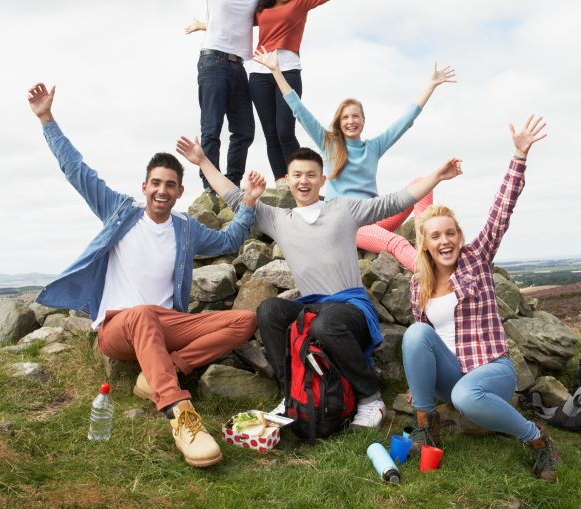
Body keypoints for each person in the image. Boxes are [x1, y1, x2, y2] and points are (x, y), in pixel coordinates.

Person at [28, 82, 266, 469]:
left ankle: (162, 371)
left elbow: (230, 240)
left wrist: (250, 204)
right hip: (119, 327)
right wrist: (46, 118)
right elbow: (77, 171)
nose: (161, 190)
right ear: (144, 187)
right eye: (155, 183)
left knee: (245, 320)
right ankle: (179, 413)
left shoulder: (186, 229)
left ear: (179, 192)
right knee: (141, 313)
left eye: (169, 185)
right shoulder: (121, 212)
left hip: (167, 323)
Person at [176, 136, 462, 428]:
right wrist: (202, 161)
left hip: (351, 309)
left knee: (326, 324)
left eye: (311, 175)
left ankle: (370, 397)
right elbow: (236, 198)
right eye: (297, 175)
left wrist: (436, 176)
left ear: (322, 180)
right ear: (287, 180)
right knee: (269, 311)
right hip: (313, 307)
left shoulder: (343, 209)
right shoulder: (278, 219)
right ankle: (293, 395)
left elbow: (392, 202)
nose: (304, 181)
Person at [401, 115, 561, 481]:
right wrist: (418, 387)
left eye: (450, 233)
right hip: (451, 374)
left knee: (467, 397)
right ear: (424, 244)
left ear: (459, 235)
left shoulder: (477, 258)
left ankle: (537, 440)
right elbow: (422, 344)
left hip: (491, 369)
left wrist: (518, 157)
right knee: (414, 334)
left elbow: (501, 211)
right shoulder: (418, 284)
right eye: (435, 236)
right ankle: (426, 427)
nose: (444, 241)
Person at [252, 49, 455, 269]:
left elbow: (406, 120)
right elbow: (298, 109)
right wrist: (276, 71)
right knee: (397, 242)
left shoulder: (374, 147)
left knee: (420, 183)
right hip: (348, 223)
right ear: (339, 122)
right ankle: (433, 274)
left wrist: (431, 85)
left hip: (376, 214)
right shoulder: (330, 145)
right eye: (345, 117)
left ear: (363, 121)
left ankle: (428, 238)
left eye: (355, 116)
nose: (351, 121)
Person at [113, 0, 260, 190]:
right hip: (213, 62)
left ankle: (231, 183)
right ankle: (211, 187)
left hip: (238, 66)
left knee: (244, 131)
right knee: (211, 129)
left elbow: (271, 13)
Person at [248, 0, 394, 185]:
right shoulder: (262, 8)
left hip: (288, 70)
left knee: (285, 130)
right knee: (270, 133)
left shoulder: (301, 2)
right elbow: (234, 23)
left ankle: (297, 177)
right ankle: (281, 182)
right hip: (259, 72)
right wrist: (205, 26)